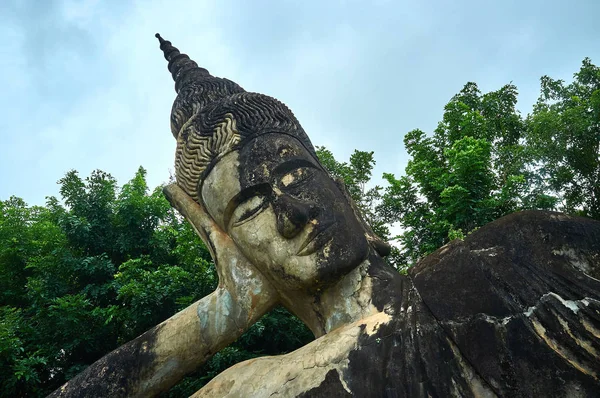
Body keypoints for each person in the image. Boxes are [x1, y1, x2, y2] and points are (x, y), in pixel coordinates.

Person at [156, 34, 600, 397]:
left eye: (295, 176)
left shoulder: (514, 255)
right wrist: (226, 309)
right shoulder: (251, 387)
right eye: (250, 208)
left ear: (346, 197)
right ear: (235, 249)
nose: (291, 213)